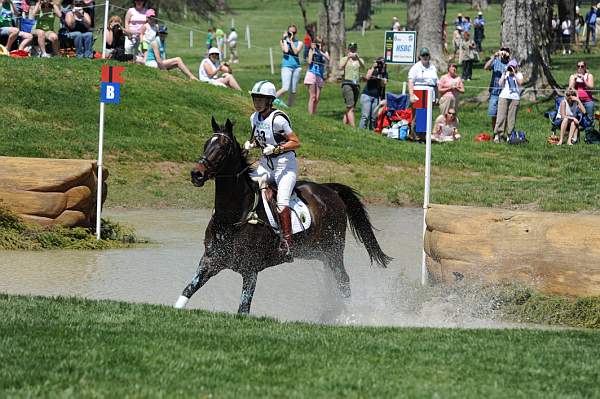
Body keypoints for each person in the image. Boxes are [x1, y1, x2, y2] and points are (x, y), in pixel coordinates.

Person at [244, 80, 301, 262]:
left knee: (282, 201)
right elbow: (258, 138)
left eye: (261, 99)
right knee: (246, 185)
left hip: (285, 166)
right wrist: (251, 144)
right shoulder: (254, 118)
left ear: (270, 101)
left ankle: (287, 243)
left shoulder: (278, 119)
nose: (257, 102)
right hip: (266, 166)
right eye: (255, 98)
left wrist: (277, 149)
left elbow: (296, 142)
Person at [494, 59, 524, 142]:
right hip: (503, 97)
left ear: (516, 67)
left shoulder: (519, 74)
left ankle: (510, 135)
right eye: (511, 67)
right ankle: (498, 135)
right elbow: (500, 84)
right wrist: (504, 74)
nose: (512, 68)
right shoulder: (505, 74)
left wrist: (514, 74)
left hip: (515, 98)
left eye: (514, 67)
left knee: (512, 118)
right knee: (501, 116)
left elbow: (521, 83)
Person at [484, 46, 511, 131]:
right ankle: (495, 132)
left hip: (505, 93)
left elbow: (516, 70)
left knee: (504, 114)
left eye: (506, 52)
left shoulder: (510, 63)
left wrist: (509, 58)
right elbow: (486, 67)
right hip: (494, 92)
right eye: (502, 51)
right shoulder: (496, 61)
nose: (503, 53)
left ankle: (503, 132)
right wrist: (494, 57)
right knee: (493, 114)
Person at [276, 24, 303, 107]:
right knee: (285, 88)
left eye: (294, 32)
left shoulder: (299, 43)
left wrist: (291, 41)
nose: (292, 34)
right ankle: (271, 99)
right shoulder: (283, 41)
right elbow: (286, 50)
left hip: (296, 67)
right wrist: (285, 39)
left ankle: (289, 108)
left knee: (293, 91)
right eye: (290, 32)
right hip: (286, 66)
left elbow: (296, 52)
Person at [339, 42, 364, 127]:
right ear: (348, 50)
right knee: (350, 106)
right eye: (351, 49)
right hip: (347, 83)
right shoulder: (344, 59)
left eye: (354, 49)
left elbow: (363, 66)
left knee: (351, 106)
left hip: (356, 84)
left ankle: (344, 125)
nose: (353, 50)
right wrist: (348, 58)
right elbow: (340, 67)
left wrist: (357, 58)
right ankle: (353, 127)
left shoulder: (359, 60)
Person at [359, 57, 388, 130]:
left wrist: (382, 73)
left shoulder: (384, 73)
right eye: (379, 63)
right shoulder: (372, 69)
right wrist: (373, 67)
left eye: (382, 63)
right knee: (365, 116)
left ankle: (372, 132)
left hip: (376, 97)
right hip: (367, 95)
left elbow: (383, 84)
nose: (380, 64)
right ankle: (361, 132)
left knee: (374, 117)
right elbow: (367, 77)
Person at [303, 36, 329, 115]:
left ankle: (314, 113)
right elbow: (309, 62)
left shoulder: (324, 52)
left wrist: (320, 51)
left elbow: (328, 58)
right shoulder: (311, 50)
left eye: (320, 43)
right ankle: (310, 115)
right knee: (313, 96)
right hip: (312, 73)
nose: (319, 45)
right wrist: (313, 50)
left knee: (317, 98)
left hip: (320, 76)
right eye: (317, 43)